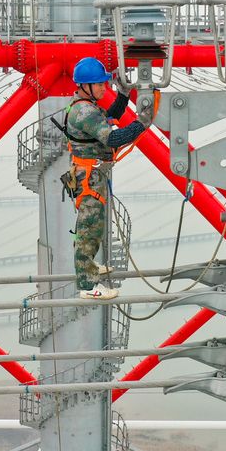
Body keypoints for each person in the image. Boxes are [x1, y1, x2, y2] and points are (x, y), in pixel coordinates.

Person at [57, 57, 153, 300]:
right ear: (86, 85)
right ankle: (88, 286)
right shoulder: (85, 111)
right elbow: (112, 138)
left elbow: (108, 118)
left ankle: (88, 267)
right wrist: (142, 123)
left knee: (93, 226)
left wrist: (123, 95)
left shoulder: (83, 104)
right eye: (100, 84)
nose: (103, 88)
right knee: (89, 230)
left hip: (88, 174)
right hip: (88, 178)